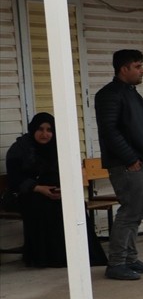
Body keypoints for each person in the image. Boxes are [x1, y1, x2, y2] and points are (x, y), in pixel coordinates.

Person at [96, 49, 143, 281]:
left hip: (140, 162)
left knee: (137, 211)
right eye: (137, 66)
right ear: (124, 69)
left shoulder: (130, 93)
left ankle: (130, 258)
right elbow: (110, 131)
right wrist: (130, 159)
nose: (142, 70)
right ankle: (116, 263)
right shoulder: (110, 94)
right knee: (128, 212)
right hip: (127, 165)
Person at [5, 113, 106, 268]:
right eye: (40, 129)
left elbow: (67, 173)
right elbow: (15, 179)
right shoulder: (19, 149)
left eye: (49, 130)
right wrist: (38, 188)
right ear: (33, 129)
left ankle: (78, 254)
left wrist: (63, 190)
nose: (45, 134)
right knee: (42, 205)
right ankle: (47, 257)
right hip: (27, 193)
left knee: (73, 204)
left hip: (55, 191)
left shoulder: (58, 147)